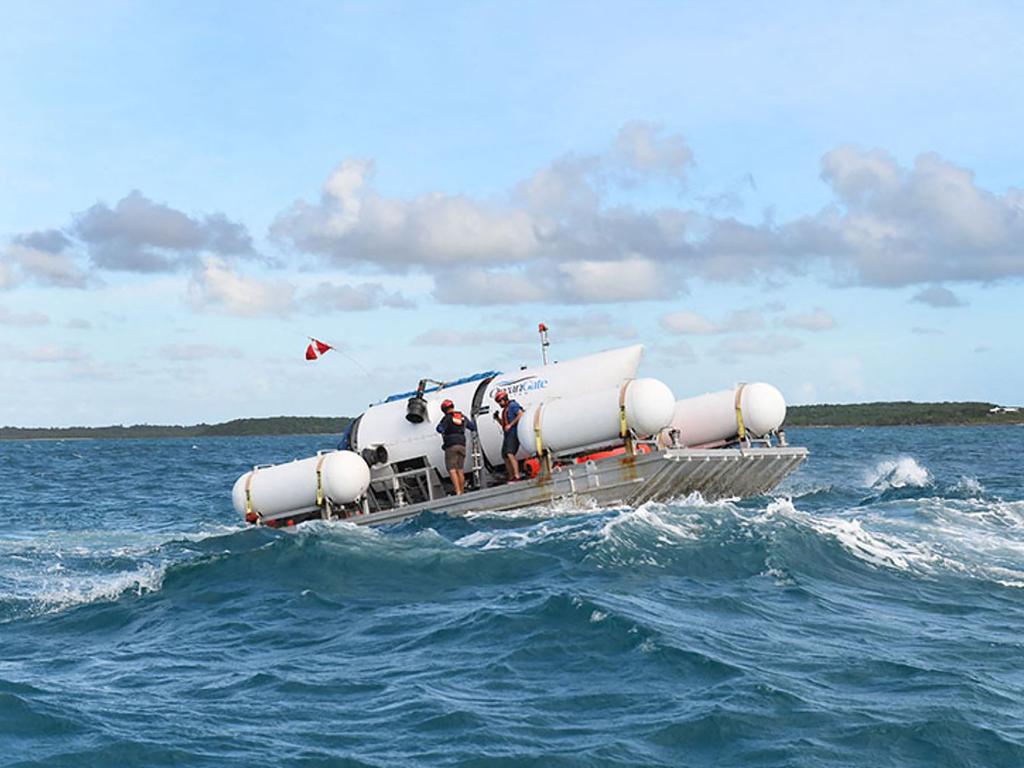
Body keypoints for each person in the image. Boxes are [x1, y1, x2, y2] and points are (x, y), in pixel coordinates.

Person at [436, 398, 476, 495]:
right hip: (462, 445)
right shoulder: (461, 416)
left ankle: (458, 491)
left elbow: (439, 429)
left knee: (451, 469)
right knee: (460, 469)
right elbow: (472, 427)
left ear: (444, 410)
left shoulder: (447, 418)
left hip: (451, 446)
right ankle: (461, 490)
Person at [494, 389, 523, 481]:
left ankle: (516, 475)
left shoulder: (513, 406)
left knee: (510, 453)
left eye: (500, 401)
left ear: (505, 399)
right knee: (505, 456)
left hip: (513, 433)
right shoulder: (505, 410)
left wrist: (511, 425)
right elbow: (504, 424)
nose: (500, 404)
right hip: (507, 434)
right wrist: (497, 418)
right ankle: (511, 476)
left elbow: (520, 414)